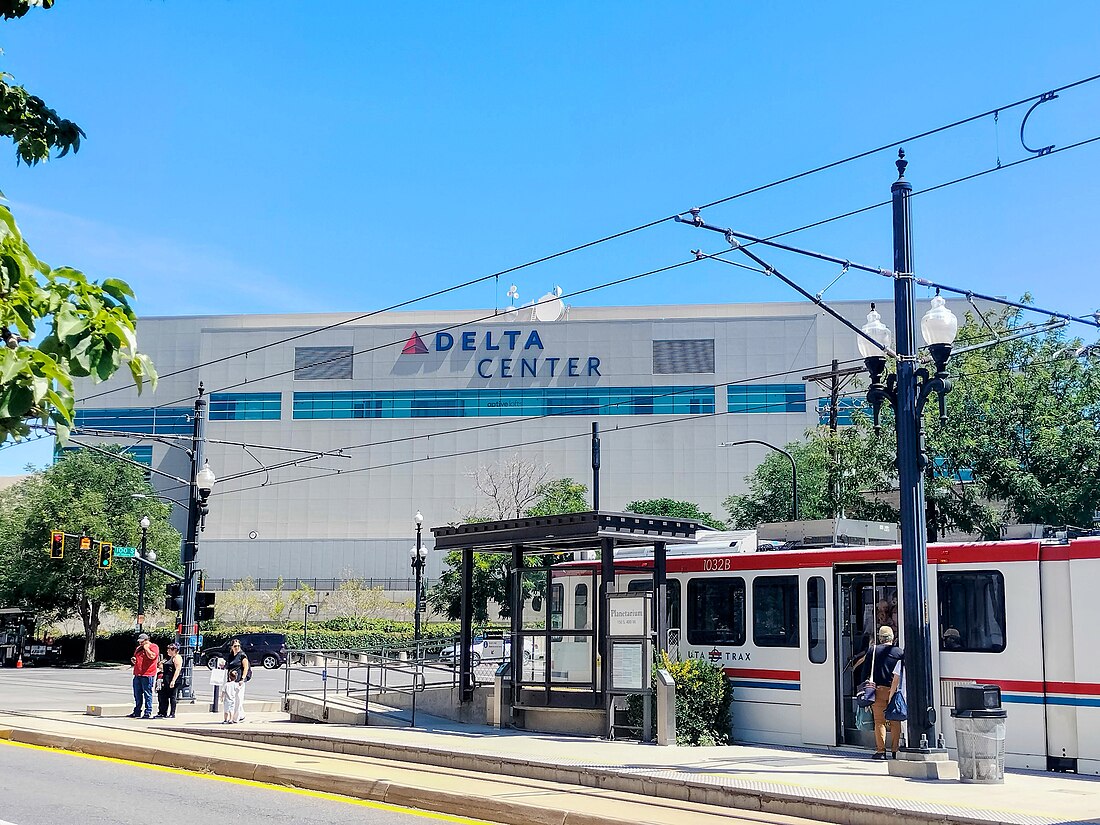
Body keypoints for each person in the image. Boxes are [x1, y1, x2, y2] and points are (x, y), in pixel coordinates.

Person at [853, 625, 904, 760]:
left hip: (878, 690)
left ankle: (881, 751)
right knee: (895, 721)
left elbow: (865, 672)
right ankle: (895, 750)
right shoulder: (899, 652)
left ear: (880, 638)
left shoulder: (873, 650)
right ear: (892, 638)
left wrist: (865, 690)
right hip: (895, 691)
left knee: (879, 721)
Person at [129, 633, 160, 719]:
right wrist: (134, 660)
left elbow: (152, 657)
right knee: (137, 694)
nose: (140, 643)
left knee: (147, 693)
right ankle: (137, 711)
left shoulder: (154, 647)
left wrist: (147, 649)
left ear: (146, 640)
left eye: (142, 642)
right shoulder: (138, 648)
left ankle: (148, 712)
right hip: (138, 673)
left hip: (147, 674)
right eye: (139, 642)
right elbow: (136, 657)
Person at [221, 638, 249, 723]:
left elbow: (246, 667)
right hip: (231, 680)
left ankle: (235, 719)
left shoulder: (242, 655)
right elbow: (228, 665)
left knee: (238, 699)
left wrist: (242, 678)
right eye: (235, 646)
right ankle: (241, 715)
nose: (237, 647)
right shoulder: (231, 655)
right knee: (235, 699)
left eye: (238, 646)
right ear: (232, 647)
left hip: (239, 680)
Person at [155, 642, 182, 719]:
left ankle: (172, 713)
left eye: (169, 649)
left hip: (172, 679)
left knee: (172, 696)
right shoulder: (170, 658)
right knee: (164, 696)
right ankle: (163, 712)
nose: (167, 651)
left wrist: (173, 681)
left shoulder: (177, 658)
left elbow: (177, 669)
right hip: (166, 679)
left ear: (174, 650)